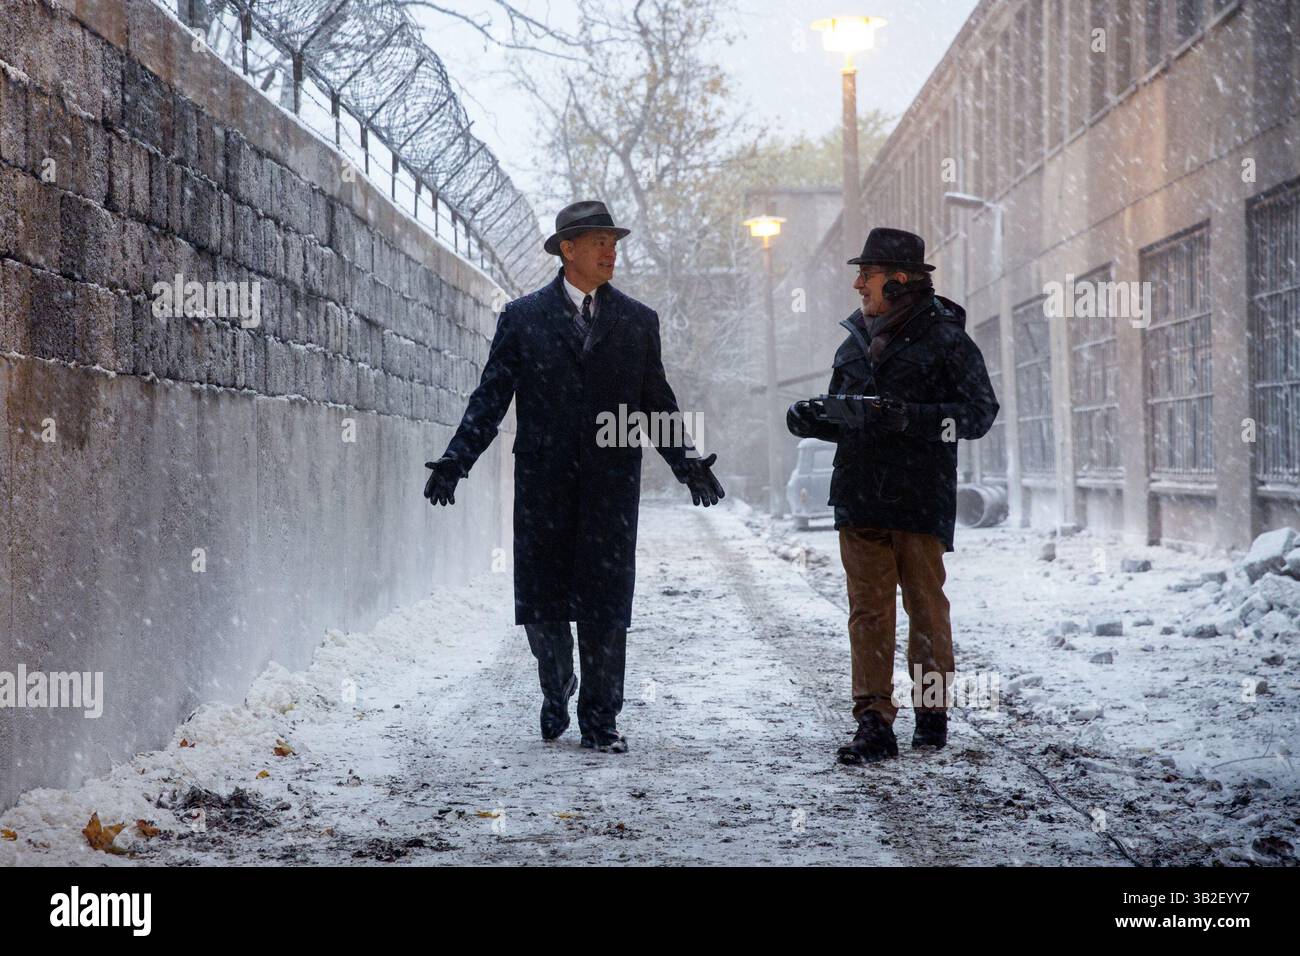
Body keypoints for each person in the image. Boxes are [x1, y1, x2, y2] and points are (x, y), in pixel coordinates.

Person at [423, 200, 724, 753]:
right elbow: (490, 398)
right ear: (568, 250)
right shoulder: (522, 318)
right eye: (600, 242)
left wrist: (686, 464)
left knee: (606, 605)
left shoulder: (637, 321)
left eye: (615, 243)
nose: (612, 252)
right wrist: (456, 459)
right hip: (544, 485)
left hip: (610, 488)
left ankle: (601, 720)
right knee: (543, 606)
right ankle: (557, 680)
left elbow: (655, 403)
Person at [787, 227, 998, 764]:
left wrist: (914, 419)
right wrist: (813, 418)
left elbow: (978, 416)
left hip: (919, 497)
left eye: (869, 275)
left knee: (925, 609)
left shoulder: (948, 339)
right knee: (868, 613)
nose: (858, 284)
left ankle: (931, 713)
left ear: (901, 282)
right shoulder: (852, 339)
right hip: (858, 497)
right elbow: (847, 412)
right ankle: (874, 722)